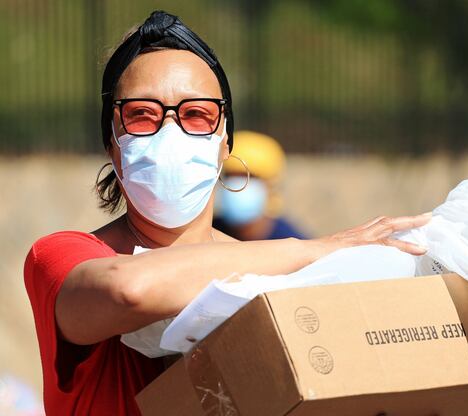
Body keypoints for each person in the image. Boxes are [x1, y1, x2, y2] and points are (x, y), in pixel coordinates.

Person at [23, 10, 430, 416]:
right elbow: (129, 291)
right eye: (141, 114)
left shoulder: (270, 281)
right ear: (112, 142)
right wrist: (316, 250)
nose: (170, 133)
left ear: (224, 143)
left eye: (196, 114)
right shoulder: (64, 258)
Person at [213, 130, 307, 240]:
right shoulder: (207, 235)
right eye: (231, 176)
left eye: (249, 177)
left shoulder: (290, 242)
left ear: (271, 185)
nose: (237, 185)